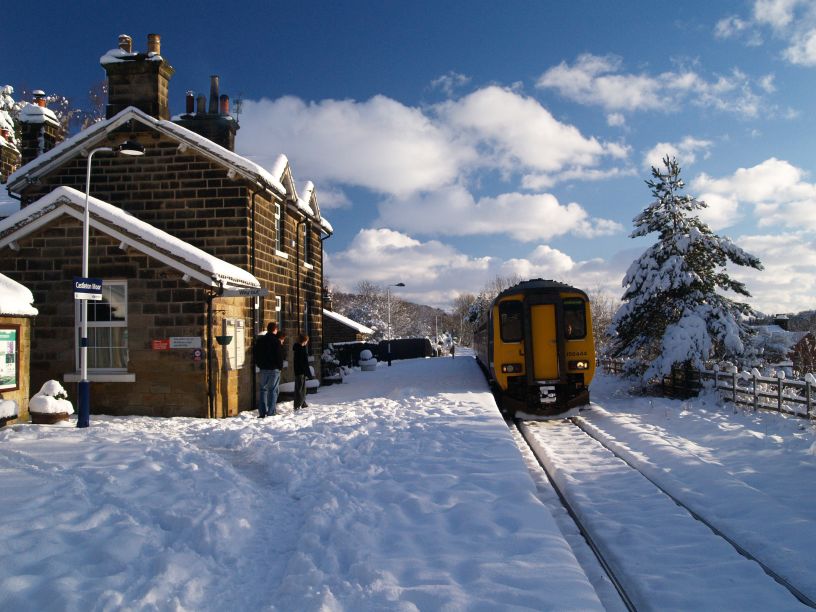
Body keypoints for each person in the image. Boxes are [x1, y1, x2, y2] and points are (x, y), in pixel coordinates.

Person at [254, 322, 283, 418]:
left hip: (263, 368)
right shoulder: (276, 341)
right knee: (273, 390)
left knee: (263, 390)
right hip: (274, 369)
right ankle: (271, 411)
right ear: (275, 329)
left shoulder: (261, 340)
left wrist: (259, 364)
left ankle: (262, 413)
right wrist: (280, 366)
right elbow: (279, 356)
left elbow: (256, 354)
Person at [293, 334, 311, 410]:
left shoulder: (300, 348)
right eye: (306, 341)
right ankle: (298, 404)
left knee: (301, 388)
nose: (307, 342)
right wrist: (308, 373)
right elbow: (303, 363)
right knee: (300, 389)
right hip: (300, 371)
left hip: (299, 371)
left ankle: (302, 402)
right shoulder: (300, 349)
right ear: (304, 341)